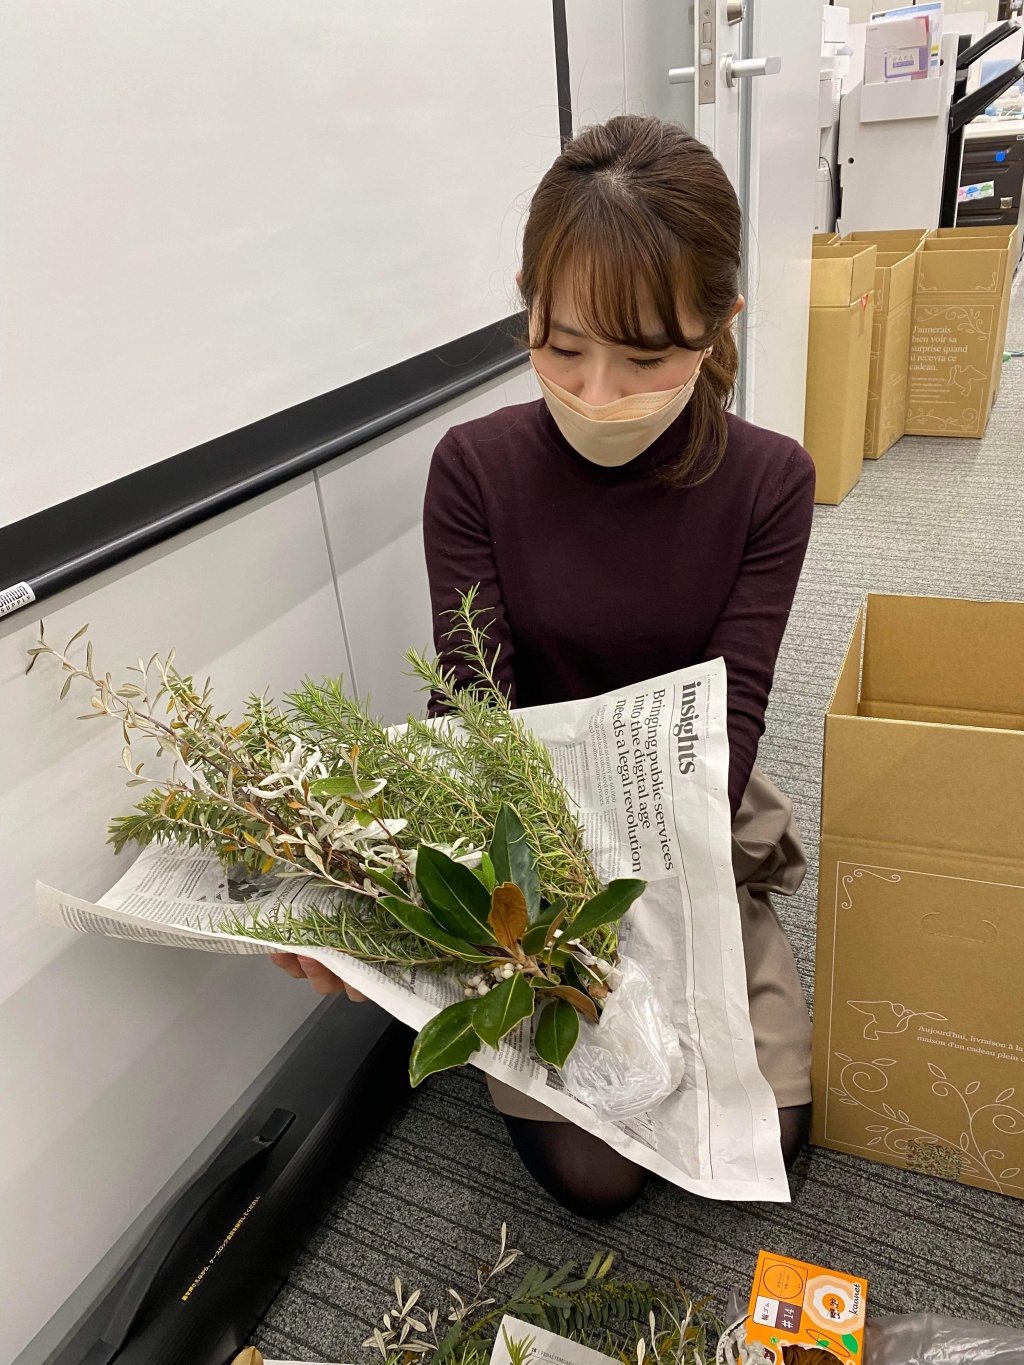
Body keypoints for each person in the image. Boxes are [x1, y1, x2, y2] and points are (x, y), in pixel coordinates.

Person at [270, 114, 815, 1221]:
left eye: (646, 358)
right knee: (598, 1177)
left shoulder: (769, 482)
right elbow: (473, 704)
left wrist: (664, 914)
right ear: (526, 303)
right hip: (528, 847)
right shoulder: (475, 468)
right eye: (563, 349)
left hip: (684, 822)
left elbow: (731, 719)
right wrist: (391, 917)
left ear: (719, 327)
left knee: (771, 1137)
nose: (599, 394)